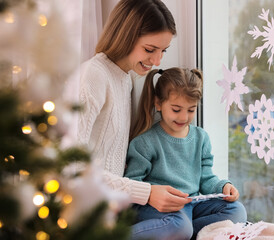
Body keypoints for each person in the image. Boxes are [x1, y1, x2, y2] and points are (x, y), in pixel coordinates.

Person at [77, 0, 192, 216]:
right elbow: (72, 165)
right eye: (150, 49)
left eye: (163, 51)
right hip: (86, 215)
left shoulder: (125, 79)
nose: (157, 61)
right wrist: (146, 193)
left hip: (114, 209)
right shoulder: (94, 75)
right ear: (125, 35)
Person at [125, 68, 247, 240]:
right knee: (179, 225)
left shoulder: (201, 137)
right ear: (158, 103)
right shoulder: (145, 143)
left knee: (237, 211)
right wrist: (152, 194)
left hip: (191, 204)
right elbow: (132, 185)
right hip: (156, 207)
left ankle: (181, 233)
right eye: (176, 109)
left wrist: (222, 187)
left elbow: (206, 178)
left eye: (191, 110)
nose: (184, 117)